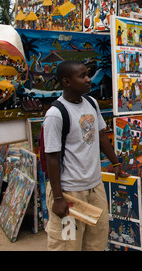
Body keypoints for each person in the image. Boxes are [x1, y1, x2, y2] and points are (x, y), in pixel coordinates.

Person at [43, 60, 127, 251]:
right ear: (67, 82)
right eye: (82, 76)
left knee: (96, 242)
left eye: (88, 74)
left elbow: (101, 136)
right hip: (70, 193)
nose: (89, 79)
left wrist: (116, 164)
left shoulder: (91, 103)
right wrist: (58, 198)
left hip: (95, 188)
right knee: (67, 244)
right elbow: (52, 158)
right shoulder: (56, 115)